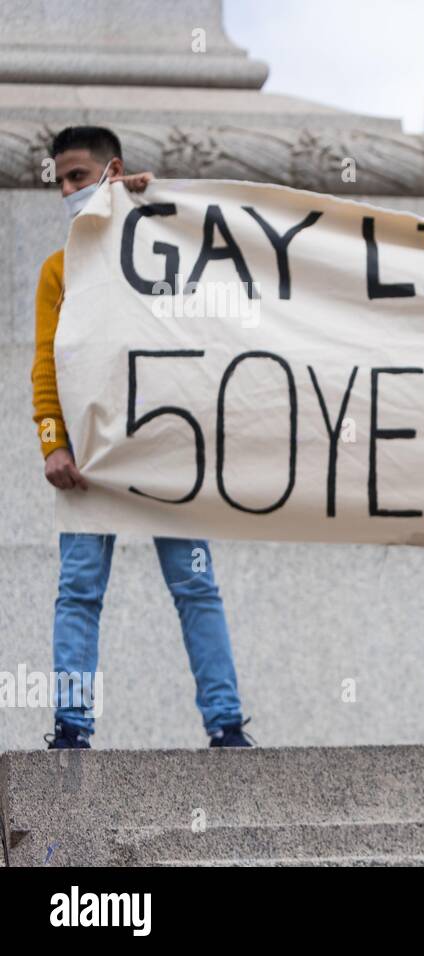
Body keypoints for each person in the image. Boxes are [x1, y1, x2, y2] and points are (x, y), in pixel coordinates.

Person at [34, 125, 253, 749]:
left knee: (195, 584)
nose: (70, 190)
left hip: (165, 445)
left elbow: (217, 286)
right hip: (88, 451)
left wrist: (164, 205)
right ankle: (71, 729)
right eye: (62, 181)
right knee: (78, 589)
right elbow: (45, 364)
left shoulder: (161, 239)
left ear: (113, 170)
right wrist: (52, 440)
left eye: (80, 176)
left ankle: (227, 726)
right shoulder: (59, 270)